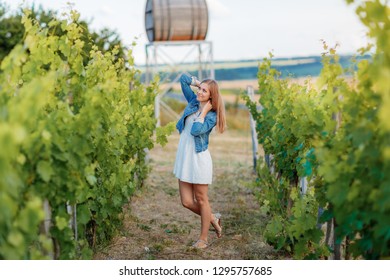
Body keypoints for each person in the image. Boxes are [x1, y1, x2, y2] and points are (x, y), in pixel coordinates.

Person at [173, 73, 226, 249]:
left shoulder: (211, 116)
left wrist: (203, 111)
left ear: (212, 96)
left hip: (198, 159)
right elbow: (183, 79)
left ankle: (203, 239)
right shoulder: (193, 101)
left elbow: (196, 131)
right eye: (200, 89)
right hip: (184, 156)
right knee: (186, 201)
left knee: (201, 199)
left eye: (205, 91)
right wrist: (198, 83)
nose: (200, 92)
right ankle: (212, 217)